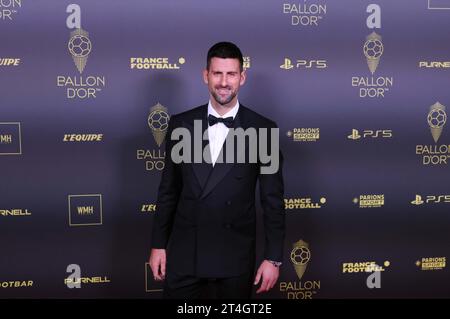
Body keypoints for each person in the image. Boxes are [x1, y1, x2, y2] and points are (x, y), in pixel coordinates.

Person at [149, 41, 285, 299]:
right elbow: (168, 191)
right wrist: (158, 244)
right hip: (185, 256)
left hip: (234, 258)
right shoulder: (181, 124)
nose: (224, 82)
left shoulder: (264, 130)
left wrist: (274, 258)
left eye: (231, 74)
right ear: (206, 76)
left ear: (242, 77)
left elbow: (273, 202)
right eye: (217, 73)